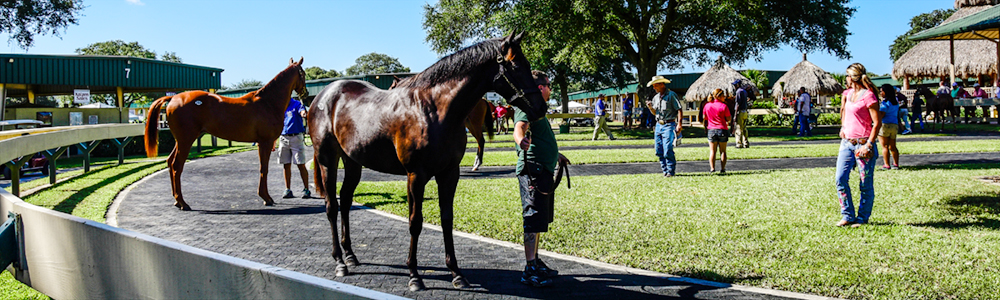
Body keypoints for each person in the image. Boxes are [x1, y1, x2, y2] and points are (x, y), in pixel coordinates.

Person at [513, 70, 571, 287]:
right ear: (540, 87)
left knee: (539, 221)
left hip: (542, 170)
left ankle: (535, 261)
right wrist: (520, 141)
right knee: (532, 218)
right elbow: (519, 128)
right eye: (549, 85)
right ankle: (529, 270)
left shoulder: (538, 109)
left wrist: (556, 156)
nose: (550, 89)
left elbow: (539, 137)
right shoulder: (526, 107)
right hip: (532, 172)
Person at [835, 63, 881, 228]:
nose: (845, 79)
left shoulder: (868, 96)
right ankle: (847, 214)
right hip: (847, 144)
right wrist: (843, 127)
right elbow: (843, 111)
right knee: (840, 178)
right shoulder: (846, 94)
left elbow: (877, 123)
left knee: (865, 183)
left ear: (852, 77)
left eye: (846, 76)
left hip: (863, 144)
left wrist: (868, 144)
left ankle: (862, 217)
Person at [645, 76, 683, 177]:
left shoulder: (671, 95)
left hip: (669, 125)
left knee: (667, 149)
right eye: (653, 86)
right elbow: (654, 113)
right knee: (658, 150)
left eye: (656, 85)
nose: (654, 88)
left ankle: (670, 170)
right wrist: (650, 107)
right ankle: (664, 170)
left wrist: (679, 124)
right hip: (658, 125)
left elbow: (679, 109)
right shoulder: (656, 98)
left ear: (662, 84)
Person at [274, 97, 311, 199]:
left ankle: (306, 189)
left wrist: (304, 113)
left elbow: (302, 111)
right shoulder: (280, 105)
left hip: (296, 137)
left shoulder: (296, 104)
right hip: (283, 137)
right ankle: (287, 189)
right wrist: (274, 141)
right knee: (286, 165)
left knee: (300, 164)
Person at [704, 89, 732, 174]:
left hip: (711, 130)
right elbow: (728, 118)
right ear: (719, 96)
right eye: (723, 96)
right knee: (723, 151)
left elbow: (705, 117)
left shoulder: (707, 106)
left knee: (712, 151)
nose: (724, 97)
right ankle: (722, 169)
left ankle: (712, 168)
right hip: (722, 129)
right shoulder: (724, 106)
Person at [878, 84, 900, 170]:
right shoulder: (895, 102)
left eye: (881, 91)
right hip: (894, 124)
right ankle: (896, 164)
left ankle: (886, 164)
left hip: (885, 124)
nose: (880, 93)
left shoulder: (884, 103)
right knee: (893, 146)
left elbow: (882, 115)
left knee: (885, 146)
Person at [733, 81, 750, 148]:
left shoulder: (738, 92)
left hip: (740, 112)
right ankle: (746, 142)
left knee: (738, 128)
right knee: (744, 128)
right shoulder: (744, 91)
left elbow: (737, 104)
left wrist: (735, 115)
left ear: (737, 85)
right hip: (745, 111)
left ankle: (739, 143)